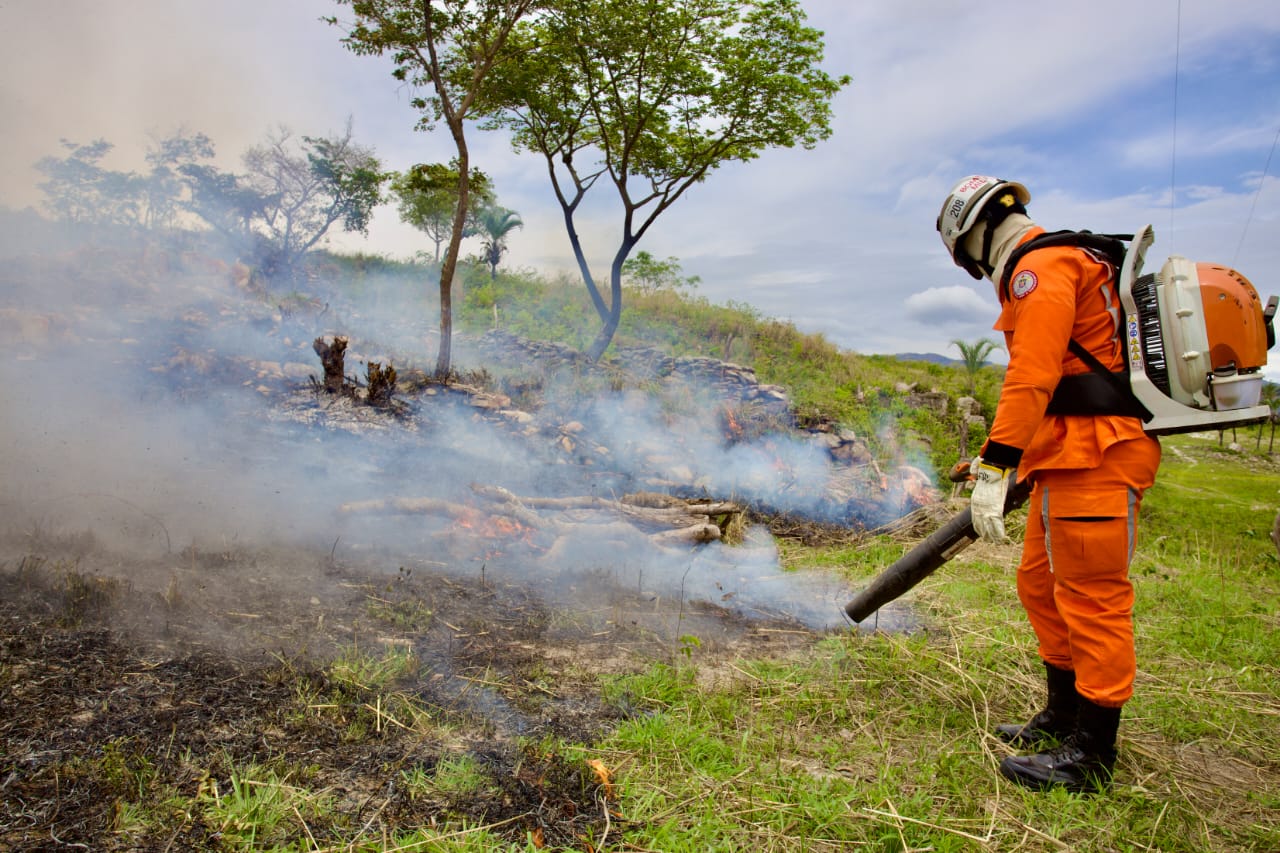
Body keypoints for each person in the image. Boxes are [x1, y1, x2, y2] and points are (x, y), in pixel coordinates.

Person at [935, 175, 1162, 793]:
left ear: (974, 236)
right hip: (1066, 456)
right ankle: (1062, 716)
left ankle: (1093, 753)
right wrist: (988, 456)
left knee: (1092, 598)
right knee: (1040, 584)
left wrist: (997, 464)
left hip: (1099, 458)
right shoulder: (1058, 262)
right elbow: (1061, 386)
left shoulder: (1042, 267)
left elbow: (1032, 377)